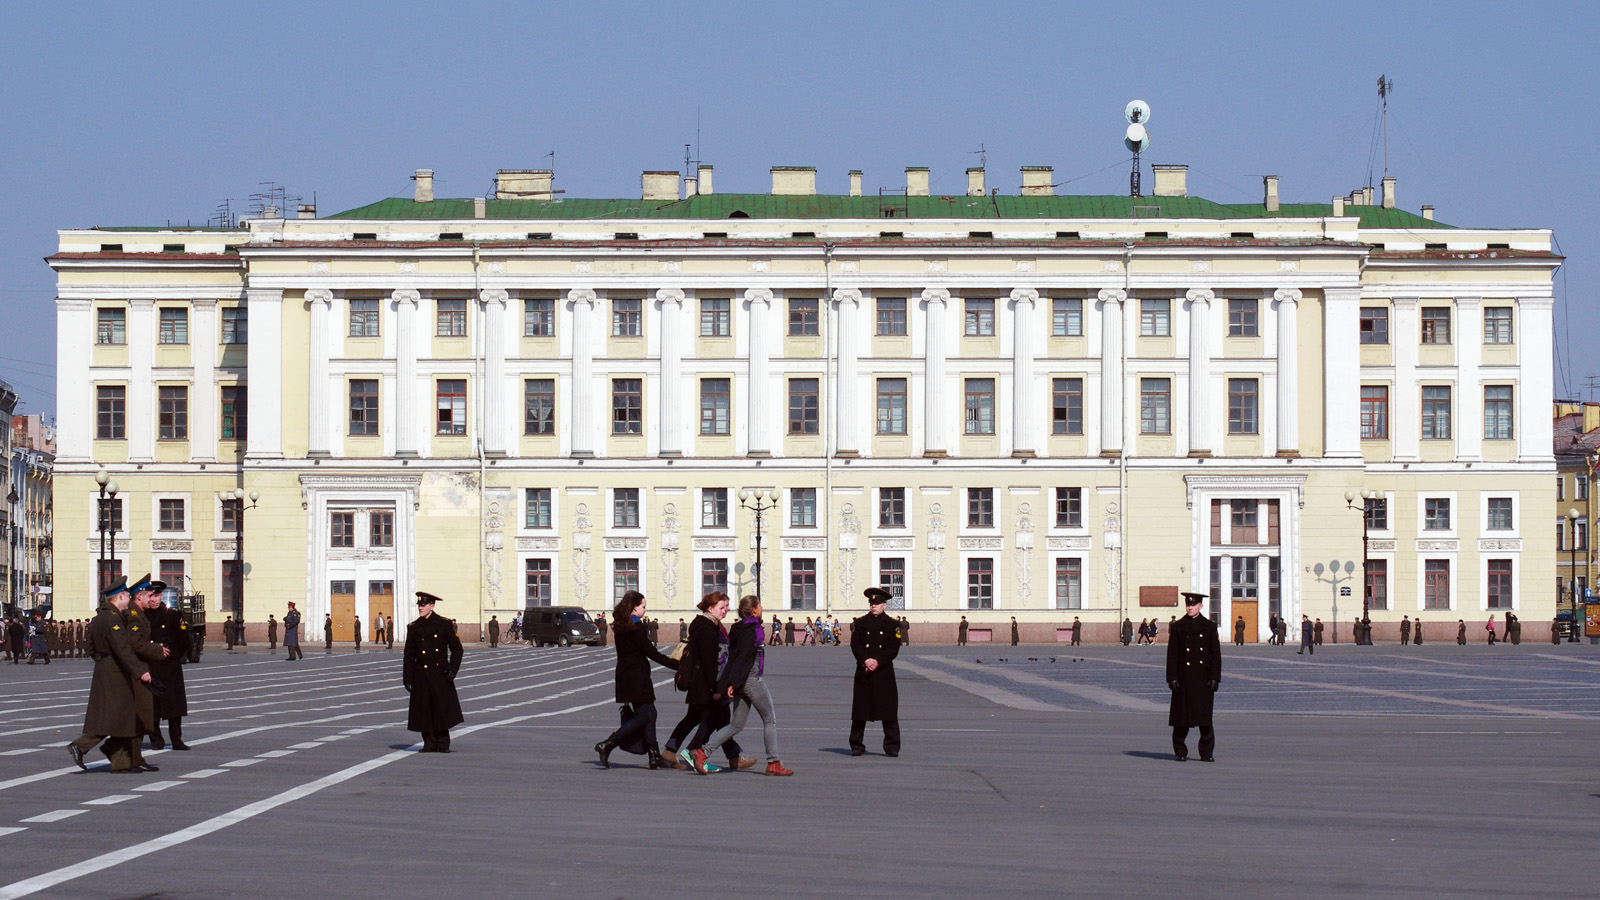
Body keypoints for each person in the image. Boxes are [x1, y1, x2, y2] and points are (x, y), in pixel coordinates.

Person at [701, 595, 793, 776]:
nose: (761, 607)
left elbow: (732, 658)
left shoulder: (739, 628)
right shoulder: (752, 630)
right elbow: (742, 657)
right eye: (759, 605)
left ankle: (703, 752)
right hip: (751, 678)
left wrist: (731, 684)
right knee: (769, 719)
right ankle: (773, 762)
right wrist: (733, 683)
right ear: (754, 610)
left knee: (736, 725)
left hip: (741, 679)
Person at [67, 577, 151, 774]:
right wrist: (141, 671)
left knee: (122, 717)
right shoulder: (112, 619)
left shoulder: (99, 618)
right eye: (127, 597)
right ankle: (80, 745)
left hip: (105, 668)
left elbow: (90, 647)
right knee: (115, 715)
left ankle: (121, 763)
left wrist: (102, 661)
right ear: (119, 597)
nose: (128, 601)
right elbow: (122, 649)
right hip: (114, 671)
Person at [595, 590, 678, 769]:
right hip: (637, 678)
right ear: (634, 608)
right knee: (642, 717)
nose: (645, 610)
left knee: (651, 714)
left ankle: (654, 756)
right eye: (643, 606)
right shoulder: (636, 628)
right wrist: (677, 665)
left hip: (627, 676)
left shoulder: (622, 626)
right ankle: (608, 744)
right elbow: (651, 652)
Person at [672, 592, 751, 774]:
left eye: (727, 606)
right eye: (722, 607)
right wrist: (715, 687)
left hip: (711, 683)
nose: (726, 610)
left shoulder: (712, 625)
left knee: (719, 720)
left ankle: (732, 757)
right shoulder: (707, 628)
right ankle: (695, 752)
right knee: (712, 720)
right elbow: (709, 661)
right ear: (710, 608)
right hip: (708, 684)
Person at [404, 592, 465, 752]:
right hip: (421, 676)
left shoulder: (444, 624)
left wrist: (452, 670)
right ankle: (429, 743)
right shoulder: (413, 627)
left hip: (439, 675)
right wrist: (408, 678)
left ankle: (443, 743)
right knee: (424, 709)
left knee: (441, 708)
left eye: (423, 605)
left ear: (432, 606)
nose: (420, 608)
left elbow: (457, 649)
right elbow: (409, 655)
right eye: (419, 605)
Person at [1167, 592, 1221, 762]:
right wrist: (1171, 677)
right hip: (1183, 679)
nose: (1190, 607)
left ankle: (1206, 752)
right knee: (1181, 719)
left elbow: (1215, 655)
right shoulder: (1177, 627)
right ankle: (1180, 751)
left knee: (1205, 719)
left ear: (1200, 606)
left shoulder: (1209, 627)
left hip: (1202, 679)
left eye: (1194, 605)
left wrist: (1215, 677)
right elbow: (1172, 655)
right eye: (1188, 605)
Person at [139, 578, 191, 751]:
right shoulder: (141, 617)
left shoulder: (173, 615)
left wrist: (173, 656)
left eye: (156, 596)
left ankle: (177, 739)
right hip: (150, 665)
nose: (153, 600)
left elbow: (184, 640)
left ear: (161, 596)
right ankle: (156, 740)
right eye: (150, 596)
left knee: (174, 705)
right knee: (152, 706)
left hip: (169, 667)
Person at [849, 587, 902, 757]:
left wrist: (878, 661)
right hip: (864, 670)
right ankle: (857, 745)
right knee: (860, 710)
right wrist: (865, 660)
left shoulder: (893, 625)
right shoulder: (860, 623)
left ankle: (892, 746)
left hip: (883, 672)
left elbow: (893, 648)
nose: (873, 606)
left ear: (884, 605)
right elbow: (855, 645)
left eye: (877, 603)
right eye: (871, 603)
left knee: (888, 710)